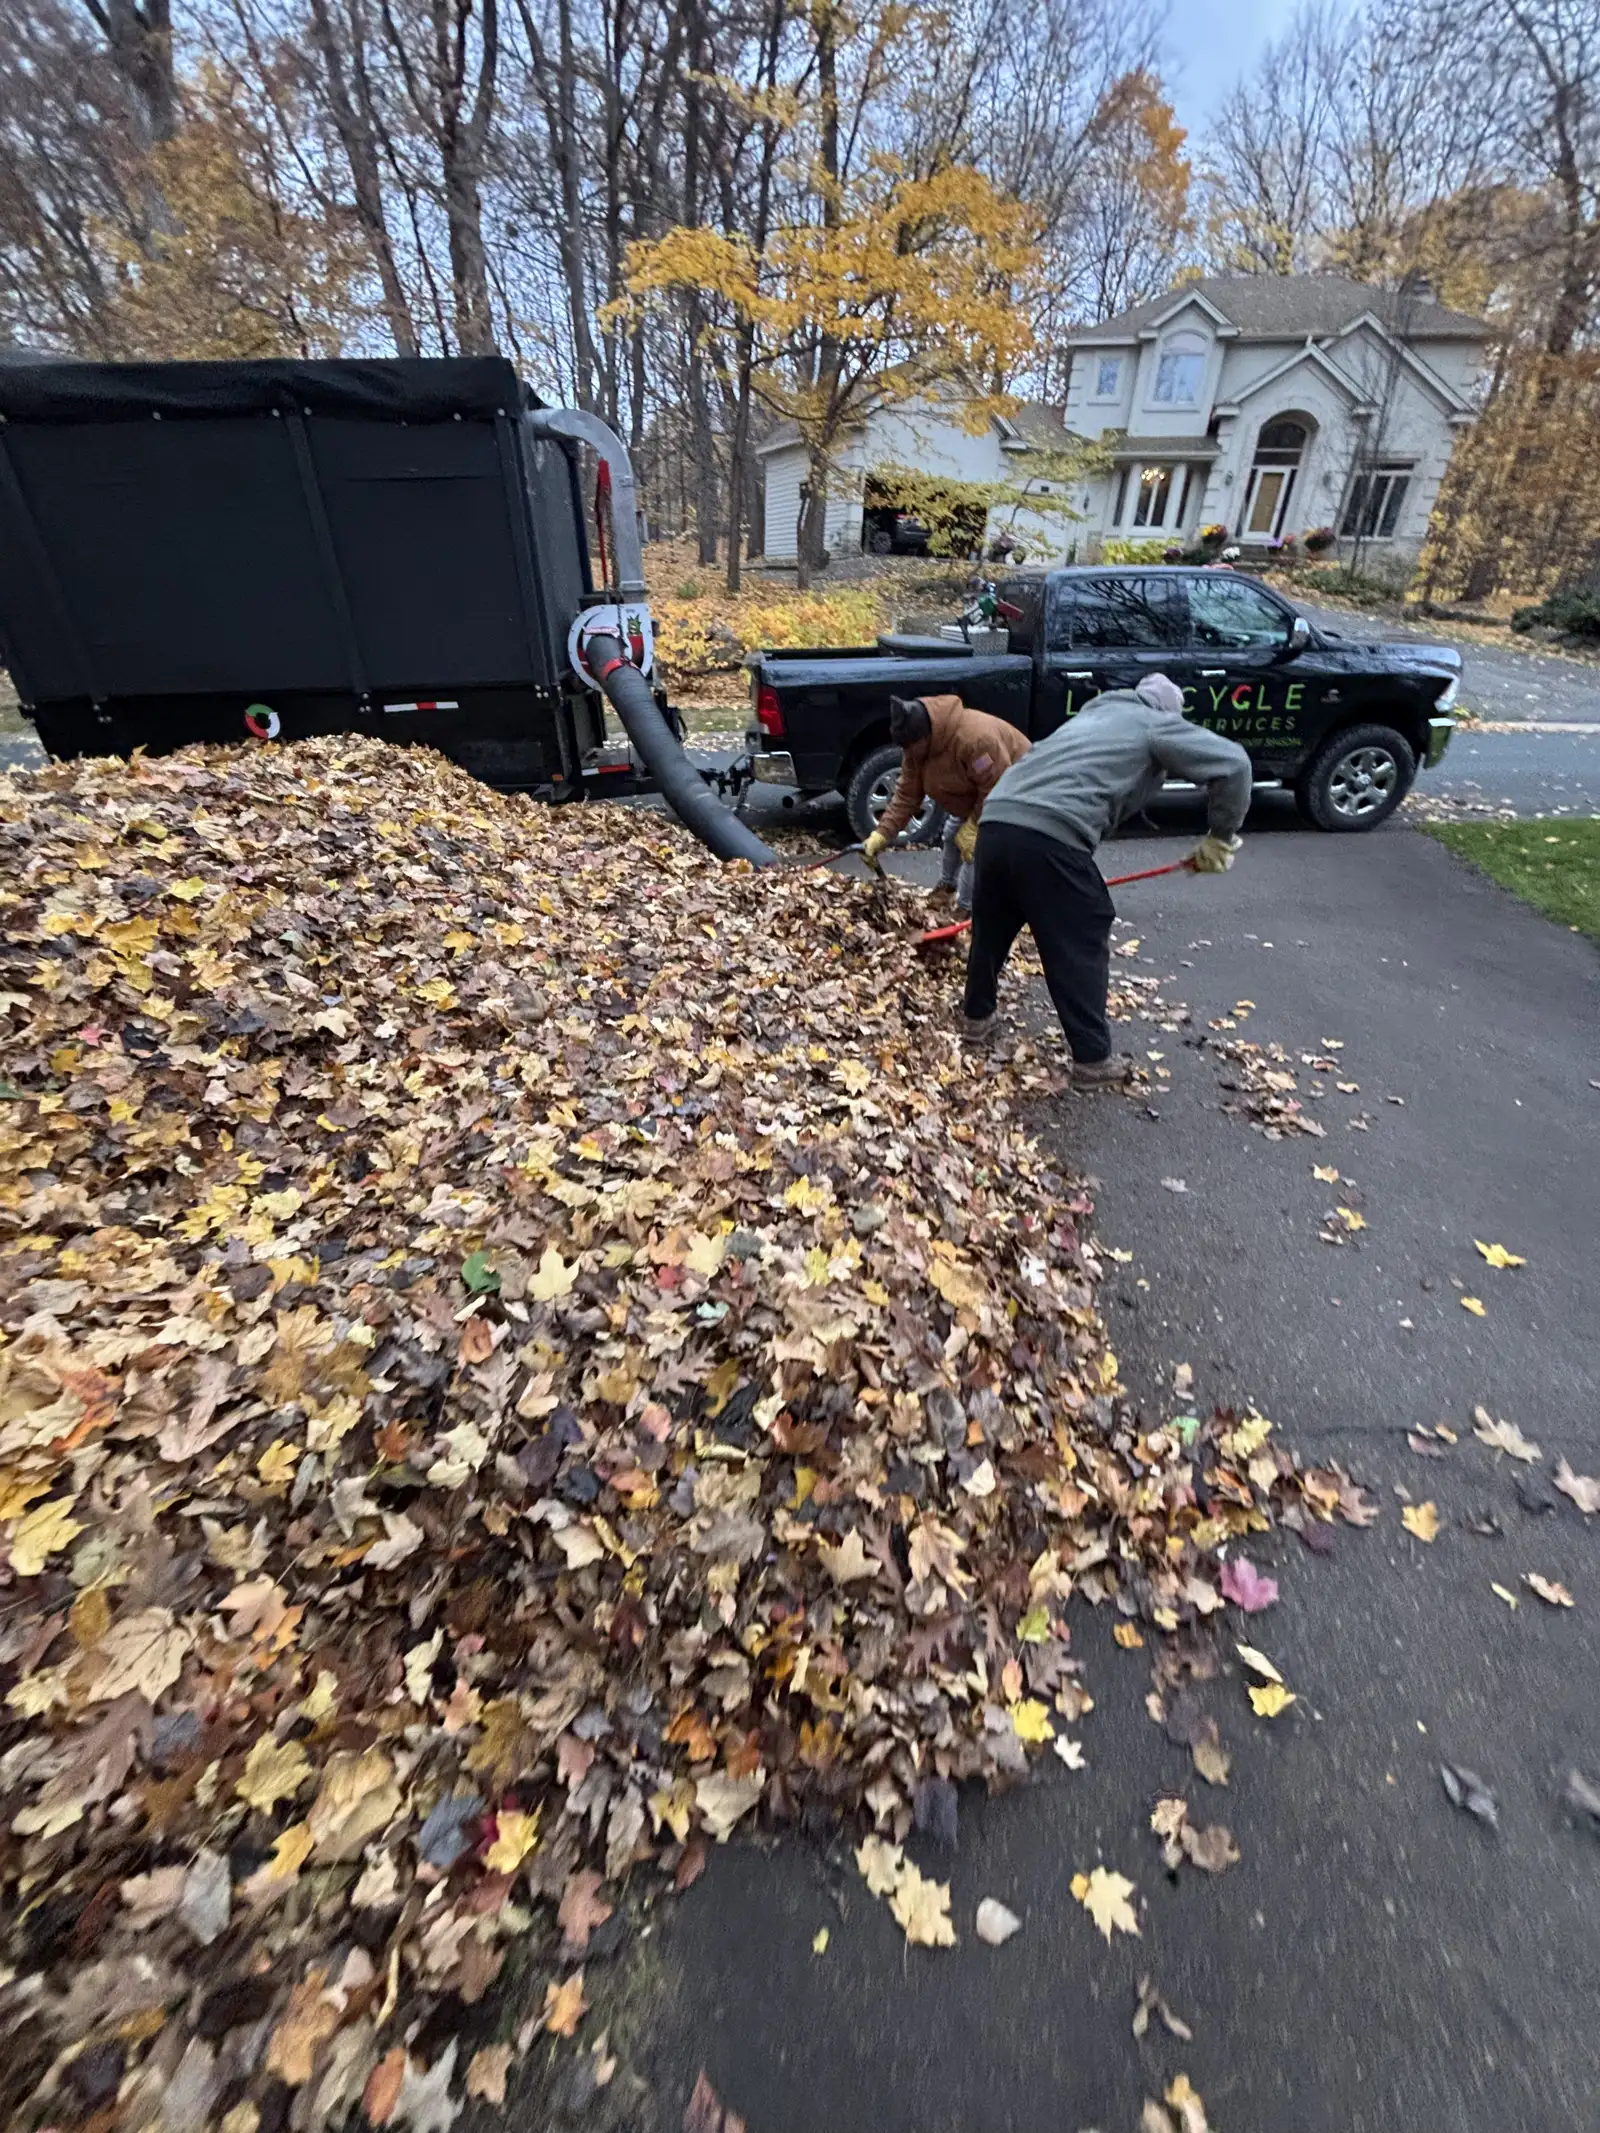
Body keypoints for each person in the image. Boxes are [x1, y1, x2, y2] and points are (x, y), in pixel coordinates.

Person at [963, 672, 1252, 1086]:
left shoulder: (1087, 721)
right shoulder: (1154, 723)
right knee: (1084, 929)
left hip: (996, 822)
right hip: (1049, 835)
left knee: (993, 927)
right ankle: (1092, 1059)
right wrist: (1221, 837)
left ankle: (976, 1017)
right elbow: (1235, 765)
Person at [862, 694, 1030, 911]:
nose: (907, 753)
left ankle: (966, 909)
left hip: (1016, 794)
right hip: (975, 799)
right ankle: (947, 888)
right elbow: (907, 795)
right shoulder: (915, 751)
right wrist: (881, 834)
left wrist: (974, 827)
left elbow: (997, 786)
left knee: (975, 850)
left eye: (911, 746)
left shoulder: (975, 740)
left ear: (927, 736)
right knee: (952, 834)